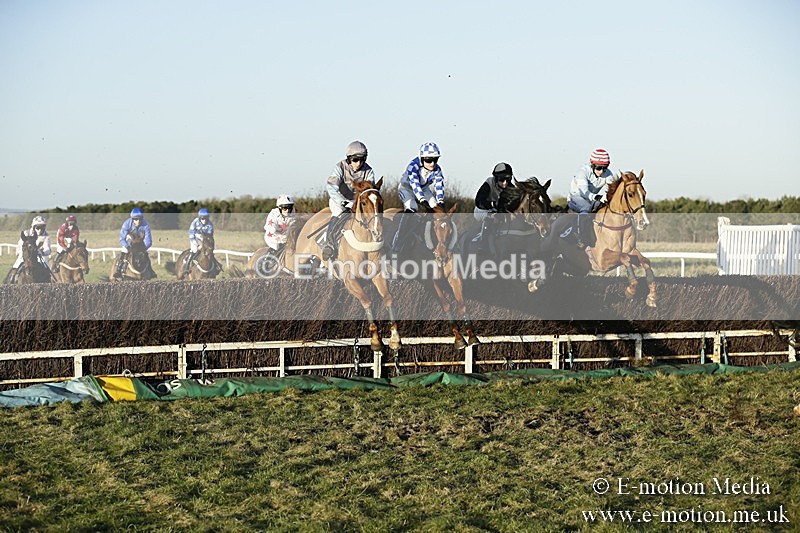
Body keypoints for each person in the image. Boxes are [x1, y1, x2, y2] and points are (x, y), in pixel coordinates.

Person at [322, 141, 376, 260]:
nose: (359, 163)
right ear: (348, 159)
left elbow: (370, 191)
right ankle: (329, 244)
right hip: (339, 200)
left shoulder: (369, 171)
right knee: (337, 214)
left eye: (362, 160)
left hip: (357, 202)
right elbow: (331, 187)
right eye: (355, 160)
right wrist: (344, 202)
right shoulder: (340, 167)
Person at [390, 142, 445, 254]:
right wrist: (422, 200)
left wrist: (440, 201)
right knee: (412, 207)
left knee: (437, 209)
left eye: (435, 160)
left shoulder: (437, 170)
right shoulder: (413, 165)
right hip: (407, 189)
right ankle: (398, 241)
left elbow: (439, 185)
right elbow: (414, 184)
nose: (432, 163)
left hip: (424, 189)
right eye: (429, 160)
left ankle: (434, 241)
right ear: (422, 158)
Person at [472, 162, 516, 251]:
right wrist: (493, 204)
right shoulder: (489, 183)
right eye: (502, 180)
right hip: (481, 210)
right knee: (491, 216)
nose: (505, 183)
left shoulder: (511, 188)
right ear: (496, 178)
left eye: (508, 180)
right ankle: (482, 244)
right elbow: (478, 201)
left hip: (497, 211)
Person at [567, 148, 620, 213]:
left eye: (605, 168)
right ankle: (581, 223)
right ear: (592, 165)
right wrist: (598, 197)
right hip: (575, 198)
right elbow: (584, 192)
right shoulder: (582, 172)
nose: (601, 171)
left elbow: (613, 190)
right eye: (599, 168)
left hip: (591, 199)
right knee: (586, 207)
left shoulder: (608, 174)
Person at [115, 207, 152, 279]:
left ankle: (150, 270)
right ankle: (118, 270)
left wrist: (143, 248)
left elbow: (149, 241)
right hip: (130, 239)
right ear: (132, 219)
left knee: (145, 253)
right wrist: (128, 247)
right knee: (125, 250)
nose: (138, 221)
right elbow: (122, 239)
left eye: (140, 219)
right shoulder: (126, 224)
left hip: (140, 241)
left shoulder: (146, 225)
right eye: (135, 219)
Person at [10, 216, 51, 281]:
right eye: (38, 227)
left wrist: (41, 252)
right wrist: (23, 254)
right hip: (25, 254)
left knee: (46, 267)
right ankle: (11, 279)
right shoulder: (26, 233)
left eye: (42, 227)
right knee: (17, 264)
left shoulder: (46, 236)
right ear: (33, 227)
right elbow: (20, 245)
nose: (40, 230)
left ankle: (49, 281)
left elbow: (48, 249)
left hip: (38, 256)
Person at [184, 208, 214, 276]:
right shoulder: (194, 223)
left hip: (204, 239)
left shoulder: (210, 224)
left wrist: (204, 245)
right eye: (203, 218)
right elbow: (191, 235)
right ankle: (187, 267)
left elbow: (209, 236)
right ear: (200, 218)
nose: (204, 220)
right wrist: (197, 245)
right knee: (194, 250)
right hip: (195, 238)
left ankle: (216, 266)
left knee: (210, 251)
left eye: (206, 218)